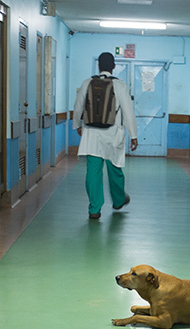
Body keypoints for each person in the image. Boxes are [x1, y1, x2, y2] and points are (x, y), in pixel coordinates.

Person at [72, 52, 138, 219]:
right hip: (113, 133)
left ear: (99, 66)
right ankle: (118, 199)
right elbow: (128, 112)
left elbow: (78, 107)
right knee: (115, 168)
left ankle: (94, 209)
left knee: (93, 172)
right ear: (114, 66)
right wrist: (134, 135)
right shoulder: (120, 85)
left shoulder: (87, 83)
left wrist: (77, 125)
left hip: (91, 134)